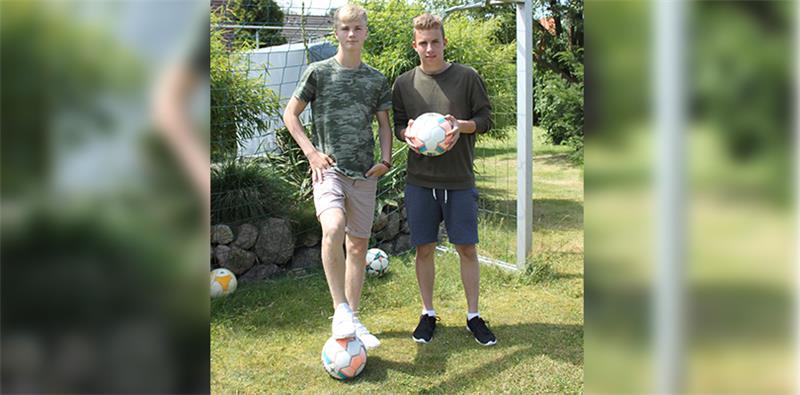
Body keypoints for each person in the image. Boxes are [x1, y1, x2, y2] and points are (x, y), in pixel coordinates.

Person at [282, 3, 393, 350]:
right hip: (328, 170)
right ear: (336, 32)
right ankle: (340, 309)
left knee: (358, 246)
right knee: (332, 228)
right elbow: (291, 115)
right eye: (344, 28)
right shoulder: (318, 72)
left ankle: (353, 318)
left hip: (365, 173)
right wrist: (312, 153)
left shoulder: (376, 79)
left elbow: (384, 125)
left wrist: (386, 160)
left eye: (357, 28)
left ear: (365, 32)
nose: (351, 34)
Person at [392, 13, 497, 346]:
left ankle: (473, 316)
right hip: (420, 180)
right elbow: (397, 125)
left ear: (444, 42)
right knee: (424, 249)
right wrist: (406, 134)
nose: (429, 48)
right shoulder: (404, 84)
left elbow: (486, 119)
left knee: (466, 248)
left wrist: (460, 127)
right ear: (415, 45)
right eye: (422, 43)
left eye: (435, 42)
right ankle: (428, 313)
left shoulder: (467, 78)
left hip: (459, 179)